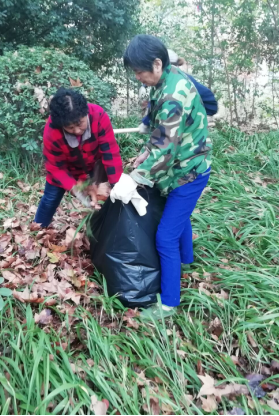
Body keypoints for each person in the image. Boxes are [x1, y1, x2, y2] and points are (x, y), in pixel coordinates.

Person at [121, 34, 213, 319]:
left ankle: (169, 304)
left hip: (189, 172)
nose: (138, 77)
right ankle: (186, 261)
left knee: (165, 237)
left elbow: (165, 149)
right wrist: (144, 153)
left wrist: (134, 178)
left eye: (140, 71)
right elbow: (158, 133)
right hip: (180, 168)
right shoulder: (163, 81)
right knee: (178, 216)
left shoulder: (173, 95)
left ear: (157, 64)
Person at [34, 88, 123, 227]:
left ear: (85, 113)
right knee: (50, 199)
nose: (76, 131)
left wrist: (116, 185)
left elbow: (110, 153)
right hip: (66, 169)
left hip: (94, 163)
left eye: (79, 124)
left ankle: (105, 227)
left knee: (106, 195)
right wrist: (78, 189)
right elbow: (56, 168)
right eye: (70, 128)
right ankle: (38, 227)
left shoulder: (98, 116)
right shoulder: (52, 131)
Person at [139, 49, 218, 134]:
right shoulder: (168, 78)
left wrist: (146, 123)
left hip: (205, 110)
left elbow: (158, 104)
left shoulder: (179, 81)